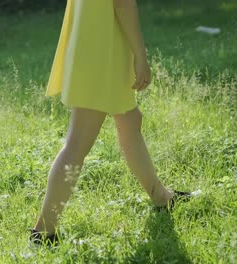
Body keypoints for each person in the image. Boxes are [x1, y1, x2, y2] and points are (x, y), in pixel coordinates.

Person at [29, 0, 195, 247]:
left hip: (96, 43)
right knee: (78, 143)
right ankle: (43, 233)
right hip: (100, 51)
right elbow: (123, 3)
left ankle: (161, 197)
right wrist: (140, 54)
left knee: (130, 120)